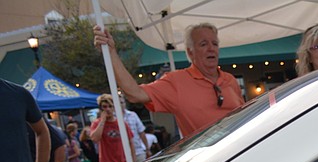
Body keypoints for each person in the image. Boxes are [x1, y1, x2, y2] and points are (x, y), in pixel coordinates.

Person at [93, 23, 244, 138]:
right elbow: (135, 93)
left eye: (215, 44)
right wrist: (111, 53)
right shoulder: (176, 82)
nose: (211, 48)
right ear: (190, 52)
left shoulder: (230, 80)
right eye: (203, 44)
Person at [90, 94, 131, 162]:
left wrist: (133, 160)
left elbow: (130, 142)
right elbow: (95, 138)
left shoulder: (121, 123)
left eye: (110, 106)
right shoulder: (96, 123)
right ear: (101, 109)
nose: (108, 109)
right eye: (105, 107)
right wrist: (102, 121)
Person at [120, 95, 150, 162]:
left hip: (138, 151)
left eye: (122, 102)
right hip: (123, 155)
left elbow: (141, 132)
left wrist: (147, 148)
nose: (121, 105)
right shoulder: (113, 118)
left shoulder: (133, 115)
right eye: (118, 103)